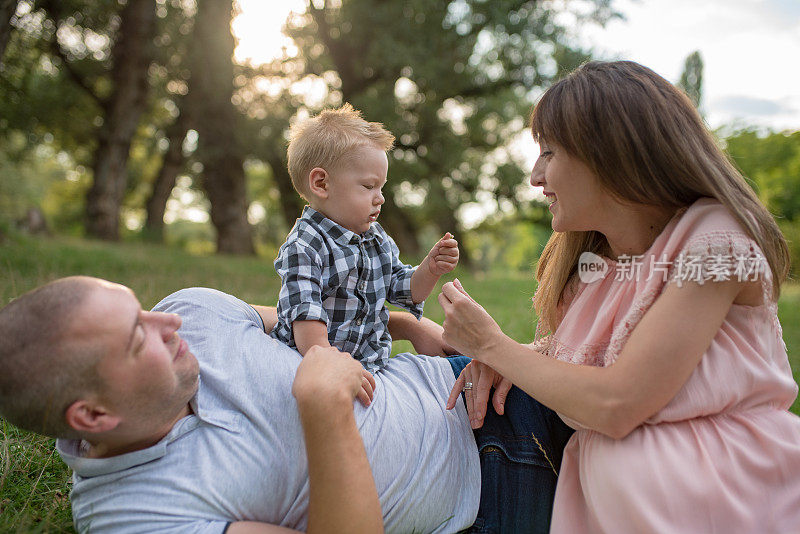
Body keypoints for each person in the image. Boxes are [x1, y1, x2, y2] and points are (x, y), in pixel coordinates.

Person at [438, 60, 800, 533]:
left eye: (549, 152)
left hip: (719, 503)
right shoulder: (597, 264)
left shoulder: (715, 239)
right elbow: (590, 370)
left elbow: (620, 403)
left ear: (608, 152)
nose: (535, 175)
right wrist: (509, 360)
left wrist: (493, 346)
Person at [0, 275, 572, 533]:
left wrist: (404, 322)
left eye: (140, 306)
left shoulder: (194, 312)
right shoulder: (133, 515)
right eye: (136, 336)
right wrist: (322, 406)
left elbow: (313, 324)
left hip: (463, 383)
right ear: (94, 417)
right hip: (494, 497)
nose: (167, 321)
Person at [272, 104, 459, 382]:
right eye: (369, 186)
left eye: (381, 187)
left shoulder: (376, 238)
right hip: (318, 371)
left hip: (370, 367)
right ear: (321, 183)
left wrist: (429, 269)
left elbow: (406, 290)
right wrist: (336, 370)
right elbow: (307, 321)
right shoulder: (305, 247)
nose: (380, 197)